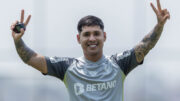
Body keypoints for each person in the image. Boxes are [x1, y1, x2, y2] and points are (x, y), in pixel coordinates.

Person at [10, 0, 170, 101]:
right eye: (86, 34)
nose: (92, 38)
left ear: (104, 36)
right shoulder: (67, 67)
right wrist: (18, 40)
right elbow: (30, 58)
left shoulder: (119, 63)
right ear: (78, 39)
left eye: (96, 34)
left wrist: (159, 25)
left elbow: (146, 44)